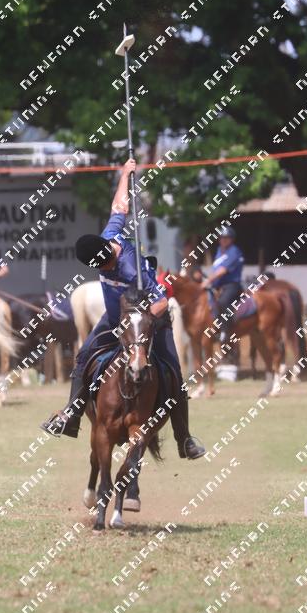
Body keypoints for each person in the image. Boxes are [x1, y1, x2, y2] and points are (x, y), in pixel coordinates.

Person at [42, 158, 205, 460]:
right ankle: (71, 415)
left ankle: (184, 439)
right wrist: (125, 174)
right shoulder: (107, 238)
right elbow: (119, 206)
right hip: (115, 318)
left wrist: (139, 322)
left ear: (110, 258)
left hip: (150, 320)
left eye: (104, 267)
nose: (103, 271)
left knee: (173, 373)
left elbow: (161, 301)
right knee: (83, 356)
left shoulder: (131, 268)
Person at [202, 227, 244, 343]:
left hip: (231, 285)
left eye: (227, 238)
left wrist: (208, 280)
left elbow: (222, 271)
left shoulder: (234, 251)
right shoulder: (219, 251)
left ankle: (225, 332)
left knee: (223, 302)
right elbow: (216, 269)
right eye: (221, 238)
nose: (223, 240)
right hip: (218, 286)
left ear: (232, 239)